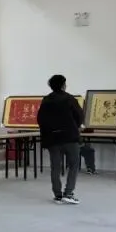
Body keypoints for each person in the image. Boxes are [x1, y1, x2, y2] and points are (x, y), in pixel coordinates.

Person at [36, 74, 84, 205]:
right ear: (63, 85)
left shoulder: (46, 100)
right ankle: (68, 193)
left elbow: (40, 119)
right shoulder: (69, 99)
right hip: (70, 137)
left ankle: (57, 195)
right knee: (74, 165)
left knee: (55, 167)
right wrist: (74, 126)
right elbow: (79, 116)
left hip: (53, 139)